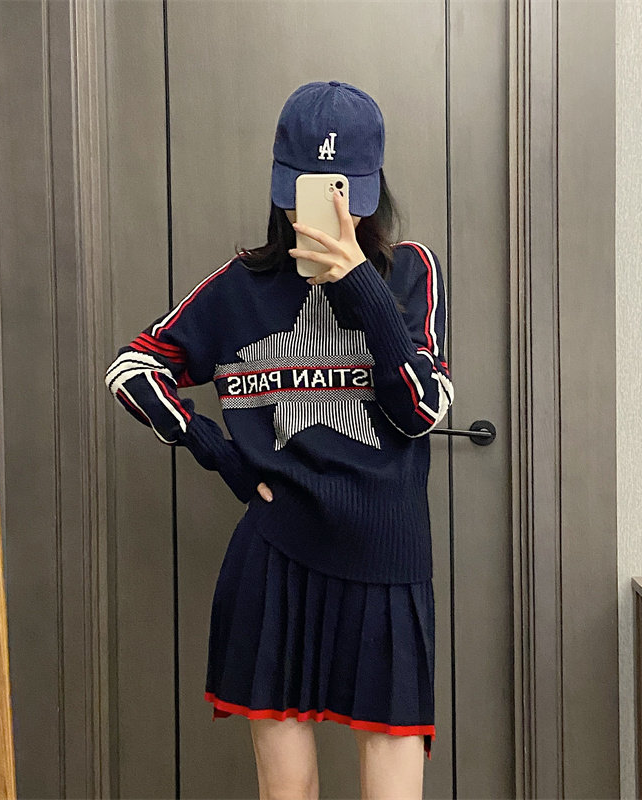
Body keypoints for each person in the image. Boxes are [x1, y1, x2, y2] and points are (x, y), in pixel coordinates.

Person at [104, 80, 454, 800]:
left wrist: (358, 284)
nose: (323, 208)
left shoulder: (409, 273)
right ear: (281, 185)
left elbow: (421, 410)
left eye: (343, 191)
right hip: (276, 560)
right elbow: (132, 370)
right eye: (307, 190)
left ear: (369, 189)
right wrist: (222, 454)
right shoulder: (241, 287)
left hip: (388, 565)